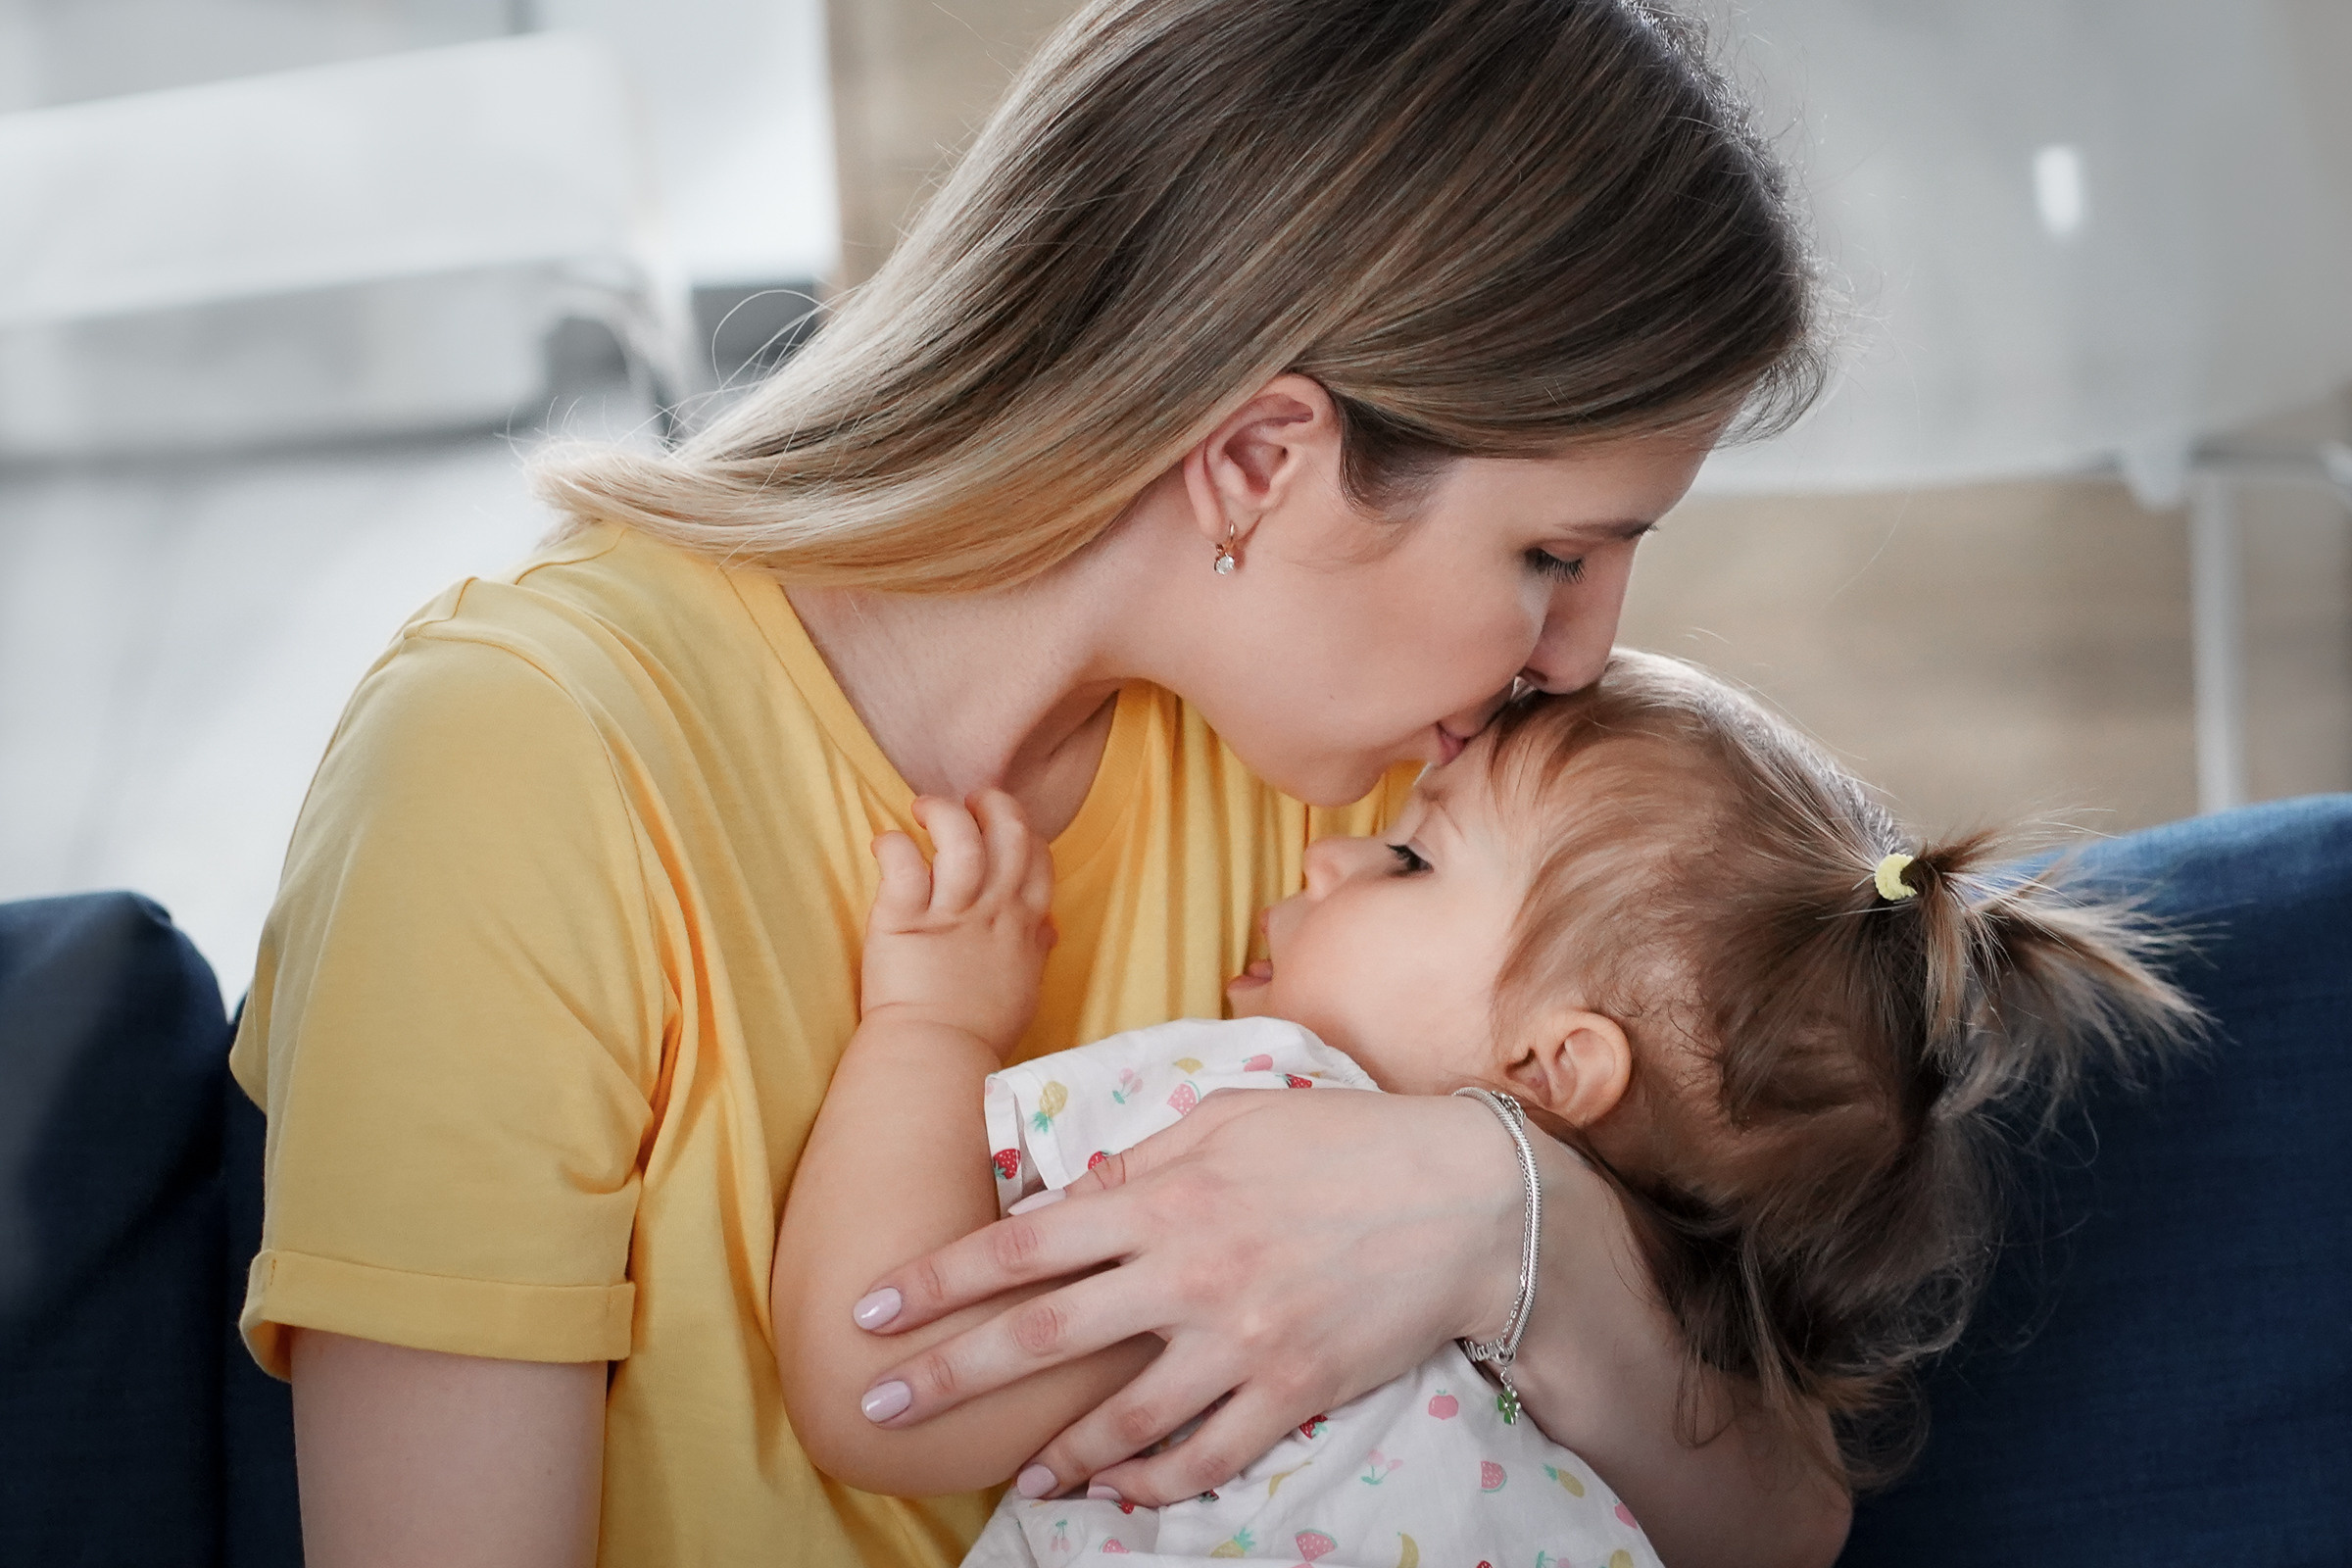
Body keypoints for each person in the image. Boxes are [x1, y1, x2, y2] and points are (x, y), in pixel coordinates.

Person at [229, 2, 1842, 1565]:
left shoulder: (1396, 816)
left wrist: (1505, 1225)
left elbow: (1786, 1517)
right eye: (1551, 553)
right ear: (1261, 462)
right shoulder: (520, 770)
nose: (1576, 658)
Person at [776, 652, 2196, 1566]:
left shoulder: (1264, 1127)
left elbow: (882, 1398)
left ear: (1554, 1065)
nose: (1334, 857)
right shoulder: (1682, 1369)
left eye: (1408, 858)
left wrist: (929, 1022)